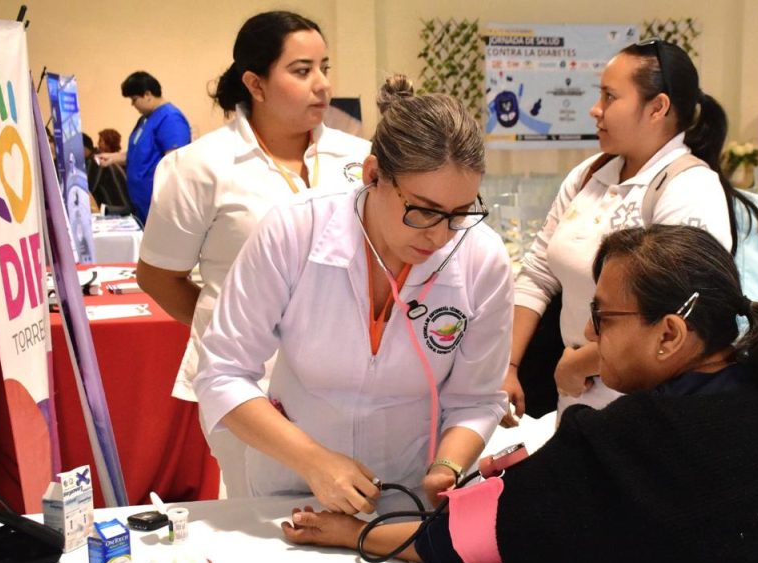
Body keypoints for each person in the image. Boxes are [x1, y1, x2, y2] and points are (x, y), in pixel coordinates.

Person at [285, 224, 758, 563]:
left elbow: (455, 544)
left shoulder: (633, 441)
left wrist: (346, 531)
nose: (586, 331)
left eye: (604, 317)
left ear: (669, 335)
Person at [193, 76, 513, 512]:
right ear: (373, 174)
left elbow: (477, 398)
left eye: (460, 213)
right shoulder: (296, 230)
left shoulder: (482, 257)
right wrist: (312, 461)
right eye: (422, 210)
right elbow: (222, 374)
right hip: (292, 488)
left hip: (405, 490)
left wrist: (446, 469)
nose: (440, 236)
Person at [138, 12, 369, 497]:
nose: (322, 85)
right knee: (266, 520)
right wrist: (229, 332)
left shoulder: (359, 158)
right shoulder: (201, 167)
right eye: (302, 71)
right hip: (250, 385)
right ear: (256, 84)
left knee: (354, 511)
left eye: (324, 67)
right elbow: (160, 276)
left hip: (348, 378)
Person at [503, 39, 758, 424]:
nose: (596, 110)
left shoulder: (689, 189)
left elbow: (678, 317)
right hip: (576, 395)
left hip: (647, 404)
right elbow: (538, 272)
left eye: (609, 97)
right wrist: (508, 365)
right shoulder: (589, 175)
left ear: (657, 107)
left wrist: (580, 364)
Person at [97, 71, 190, 223]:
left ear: (147, 94)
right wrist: (113, 158)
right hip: (141, 204)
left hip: (159, 205)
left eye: (134, 99)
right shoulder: (146, 119)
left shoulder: (170, 118)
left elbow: (174, 162)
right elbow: (139, 154)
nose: (132, 104)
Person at [83, 133, 130, 214]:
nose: (98, 143)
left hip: (117, 211)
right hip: (122, 208)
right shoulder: (99, 158)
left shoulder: (95, 161)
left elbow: (86, 189)